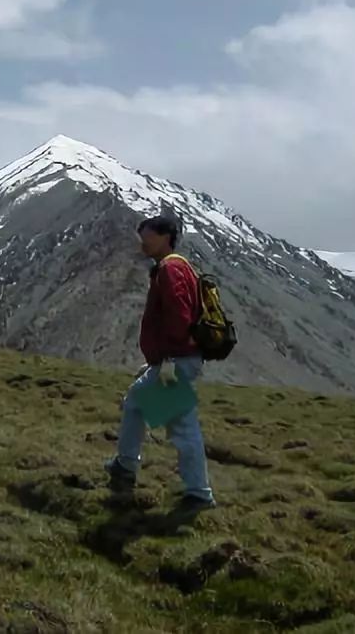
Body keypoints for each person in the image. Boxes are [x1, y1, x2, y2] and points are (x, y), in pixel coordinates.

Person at [104, 214, 216, 511]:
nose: (142, 242)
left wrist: (165, 360)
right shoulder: (176, 267)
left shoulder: (170, 269)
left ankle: (199, 494)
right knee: (135, 403)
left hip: (175, 360)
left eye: (147, 236)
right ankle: (125, 465)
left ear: (165, 236)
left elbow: (178, 318)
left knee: (182, 427)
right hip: (173, 359)